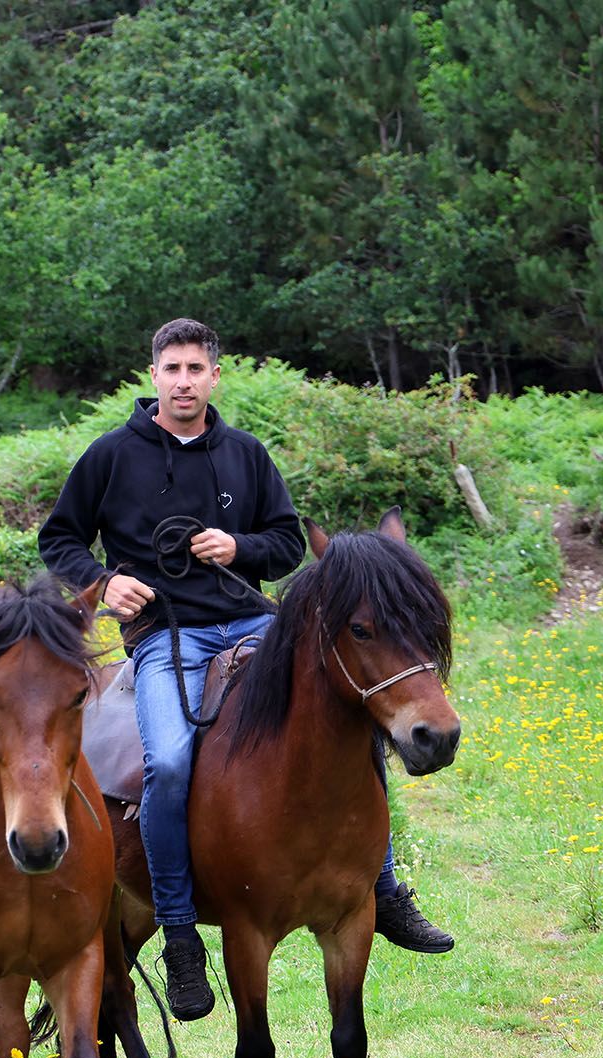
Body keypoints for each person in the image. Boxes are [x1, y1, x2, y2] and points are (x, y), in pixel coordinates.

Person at [38, 318, 454, 1022]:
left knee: (353, 717)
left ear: (214, 377)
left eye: (196, 369)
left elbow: (288, 543)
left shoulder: (246, 454)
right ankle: (176, 931)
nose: (183, 381)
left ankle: (383, 890)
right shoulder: (110, 457)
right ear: (153, 377)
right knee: (168, 762)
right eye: (172, 369)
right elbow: (60, 537)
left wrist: (238, 546)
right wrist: (106, 584)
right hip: (166, 638)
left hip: (254, 624)